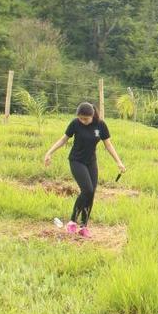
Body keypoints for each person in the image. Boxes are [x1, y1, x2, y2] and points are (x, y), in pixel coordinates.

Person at [43, 102, 126, 238]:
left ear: (92, 116)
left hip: (91, 162)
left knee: (91, 193)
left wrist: (119, 162)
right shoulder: (75, 124)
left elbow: (108, 145)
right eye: (81, 118)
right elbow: (63, 139)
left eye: (86, 119)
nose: (83, 121)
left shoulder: (101, 125)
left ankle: (83, 226)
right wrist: (49, 153)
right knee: (87, 189)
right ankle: (72, 222)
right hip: (76, 160)